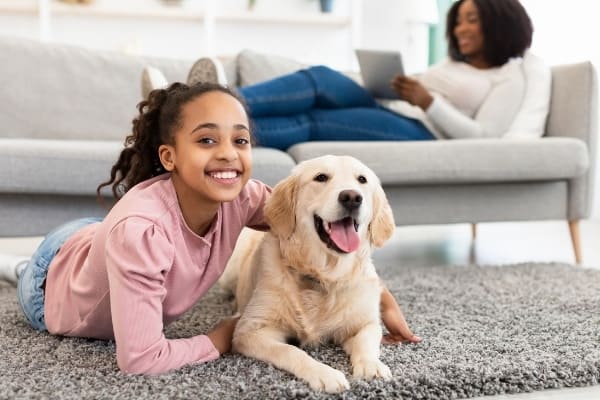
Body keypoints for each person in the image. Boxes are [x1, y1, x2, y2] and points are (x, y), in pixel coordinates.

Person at [0, 82, 420, 376]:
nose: (228, 155)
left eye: (239, 141)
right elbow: (141, 358)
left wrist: (376, 298)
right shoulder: (141, 234)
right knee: (36, 270)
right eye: (206, 141)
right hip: (50, 280)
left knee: (112, 241)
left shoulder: (246, 197)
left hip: (99, 236)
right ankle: (15, 268)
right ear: (169, 156)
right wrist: (220, 338)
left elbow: (316, 219)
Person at [187, 0, 550, 151]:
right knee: (321, 78)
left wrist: (428, 101)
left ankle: (200, 112)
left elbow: (485, 137)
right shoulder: (455, 65)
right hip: (399, 110)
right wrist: (395, 86)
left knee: (312, 121)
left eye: (471, 20)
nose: (459, 29)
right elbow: (417, 95)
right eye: (458, 21)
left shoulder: (510, 77)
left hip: (426, 134)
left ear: (500, 21)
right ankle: (211, 101)